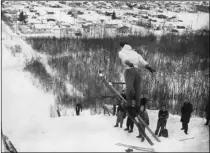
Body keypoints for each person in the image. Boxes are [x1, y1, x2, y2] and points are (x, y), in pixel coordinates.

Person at [118, 42, 155, 112]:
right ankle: (137, 106)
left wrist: (128, 63)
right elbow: (142, 61)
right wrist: (149, 67)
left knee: (129, 89)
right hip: (138, 71)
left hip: (129, 70)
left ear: (122, 46)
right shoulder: (135, 53)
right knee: (138, 91)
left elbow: (124, 58)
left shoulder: (122, 52)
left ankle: (129, 106)